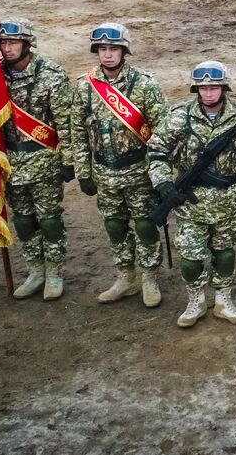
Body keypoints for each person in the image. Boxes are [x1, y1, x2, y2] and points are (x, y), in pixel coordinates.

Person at [147, 61, 236, 328]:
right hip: (191, 202)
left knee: (225, 253)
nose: (208, 93)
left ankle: (224, 300)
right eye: (203, 88)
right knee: (190, 258)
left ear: (224, 88)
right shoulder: (178, 116)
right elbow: (157, 152)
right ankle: (196, 300)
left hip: (230, 200)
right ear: (195, 89)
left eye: (214, 87)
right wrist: (163, 183)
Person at [72, 22, 169, 307]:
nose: (108, 55)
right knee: (114, 226)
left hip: (139, 171)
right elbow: (77, 131)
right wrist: (83, 170)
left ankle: (149, 277)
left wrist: (159, 172)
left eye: (113, 48)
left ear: (124, 51)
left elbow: (163, 132)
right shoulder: (85, 86)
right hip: (104, 172)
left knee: (145, 226)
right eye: (102, 49)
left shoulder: (144, 84)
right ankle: (126, 276)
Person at [0, 18, 75, 300]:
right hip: (9, 162)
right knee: (24, 220)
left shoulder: (50, 74)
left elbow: (66, 121)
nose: (7, 48)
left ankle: (54, 272)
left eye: (13, 42)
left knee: (49, 220)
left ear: (27, 43)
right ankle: (34, 270)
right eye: (2, 43)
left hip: (44, 161)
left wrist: (68, 159)